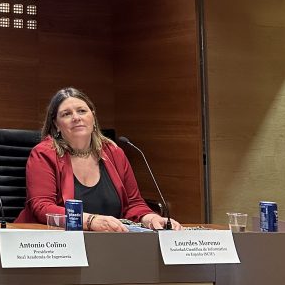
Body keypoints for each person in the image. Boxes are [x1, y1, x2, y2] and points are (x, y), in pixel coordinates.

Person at [15, 87, 181, 231]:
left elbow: (133, 203)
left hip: (106, 244)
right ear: (56, 124)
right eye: (66, 114)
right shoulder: (44, 154)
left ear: (93, 117)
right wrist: (90, 221)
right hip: (53, 246)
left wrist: (150, 218)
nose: (76, 117)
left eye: (82, 111)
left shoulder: (114, 153)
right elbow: (42, 207)